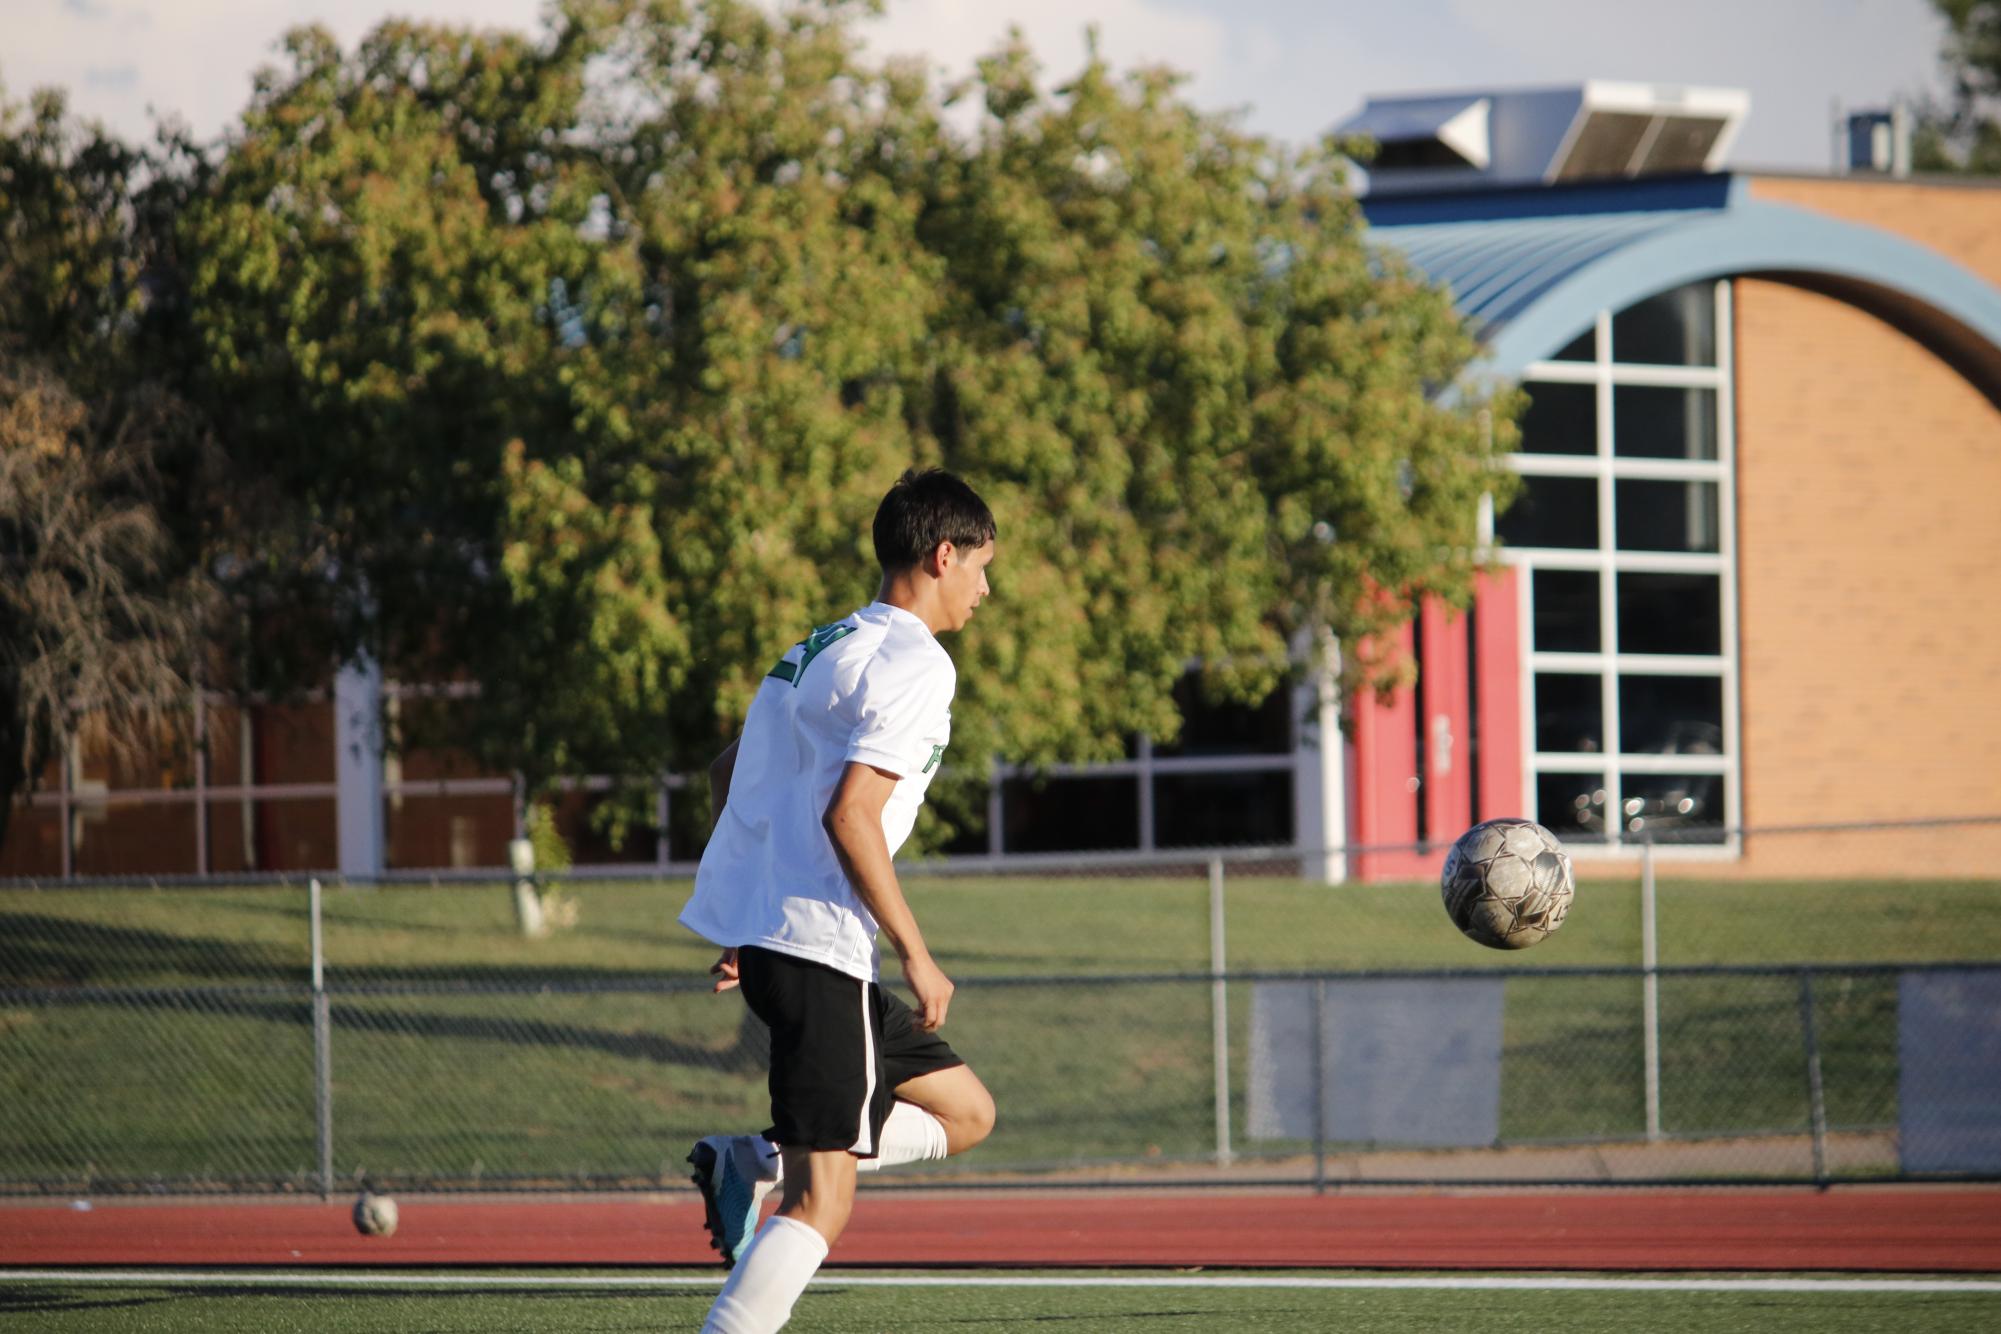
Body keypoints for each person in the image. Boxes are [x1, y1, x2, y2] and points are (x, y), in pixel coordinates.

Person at [677, 468, 1000, 1334]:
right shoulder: (917, 664)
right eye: (979, 566)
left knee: (967, 1111)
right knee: (824, 1201)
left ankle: (750, 1159)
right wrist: (917, 951)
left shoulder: (815, 648)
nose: (984, 587)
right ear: (942, 555)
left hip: (790, 944)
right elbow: (850, 814)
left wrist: (749, 920)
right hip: (822, 949)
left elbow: (724, 773)